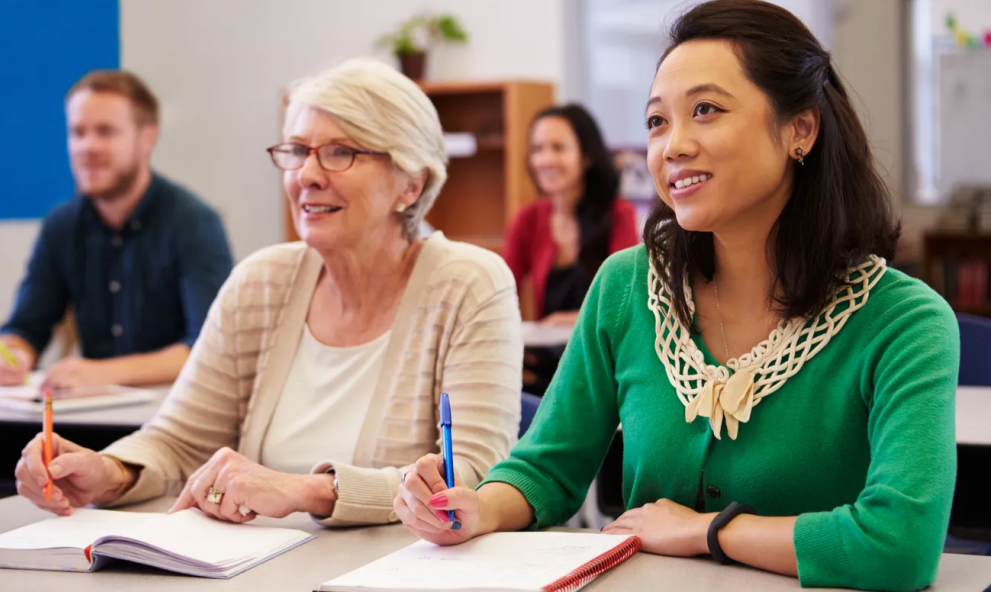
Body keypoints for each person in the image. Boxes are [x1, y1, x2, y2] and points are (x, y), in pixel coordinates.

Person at [394, 2, 959, 591]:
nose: (673, 146)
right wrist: (476, 510)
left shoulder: (904, 322)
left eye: (706, 111)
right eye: (657, 122)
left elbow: (899, 543)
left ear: (801, 129)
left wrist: (705, 530)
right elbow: (545, 468)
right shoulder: (626, 286)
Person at [14, 59, 523, 527]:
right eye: (298, 150)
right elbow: (179, 439)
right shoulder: (261, 281)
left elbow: (470, 479)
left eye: (341, 152)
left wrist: (308, 492)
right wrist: (109, 471)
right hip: (253, 568)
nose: (306, 175)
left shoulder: (470, 284)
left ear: (411, 184)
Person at [0, 70, 233, 389]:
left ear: (147, 137)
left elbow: (210, 348)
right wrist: (14, 354)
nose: (87, 146)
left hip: (172, 418)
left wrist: (101, 371)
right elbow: (26, 327)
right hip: (90, 415)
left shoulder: (193, 222)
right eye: (78, 132)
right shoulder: (61, 226)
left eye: (106, 132)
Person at [502, 104, 639, 326]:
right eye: (537, 149)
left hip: (606, 352)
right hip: (547, 357)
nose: (545, 160)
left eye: (558, 148)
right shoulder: (527, 219)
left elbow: (627, 299)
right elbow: (501, 293)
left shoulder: (619, 214)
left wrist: (568, 321)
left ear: (586, 156)